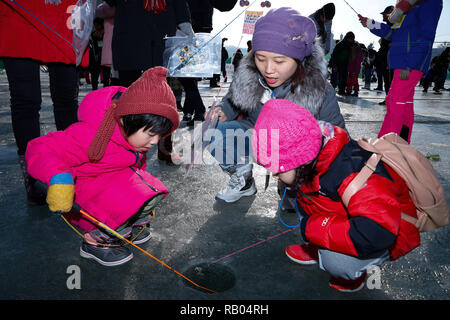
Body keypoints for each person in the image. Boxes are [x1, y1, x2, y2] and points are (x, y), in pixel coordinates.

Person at [252, 99, 421, 292]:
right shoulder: (312, 158)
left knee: (337, 262)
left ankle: (355, 269)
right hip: (356, 218)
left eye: (276, 168)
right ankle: (319, 249)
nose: (274, 174)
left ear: (299, 159)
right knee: (305, 196)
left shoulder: (352, 169)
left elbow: (376, 232)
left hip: (391, 230)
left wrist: (314, 228)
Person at [25, 67, 180, 266]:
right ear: (128, 119)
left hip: (108, 186)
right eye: (151, 134)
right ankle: (94, 242)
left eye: (159, 137)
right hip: (81, 193)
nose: (153, 142)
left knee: (150, 189)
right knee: (129, 195)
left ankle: (125, 224)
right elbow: (39, 147)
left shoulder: (133, 139)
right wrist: (59, 178)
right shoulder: (90, 134)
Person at [207, 7, 345, 203]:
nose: (269, 69)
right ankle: (243, 180)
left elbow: (337, 136)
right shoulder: (250, 76)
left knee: (297, 204)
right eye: (261, 59)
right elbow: (232, 99)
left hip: (296, 150)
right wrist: (223, 111)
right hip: (256, 136)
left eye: (279, 61)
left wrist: (302, 170)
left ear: (299, 59)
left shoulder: (318, 89)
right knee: (214, 131)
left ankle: (294, 185)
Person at [0, 0, 89, 205]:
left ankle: (72, 166)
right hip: (20, 12)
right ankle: (32, 175)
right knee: (25, 101)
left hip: (65, 15)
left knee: (67, 99)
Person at [105, 0, 192, 165]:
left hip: (161, 32)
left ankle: (165, 147)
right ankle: (124, 149)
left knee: (164, 93)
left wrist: (185, 24)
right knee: (127, 94)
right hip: (130, 31)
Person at [359, 0, 443, 143]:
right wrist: (370, 24)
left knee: (394, 100)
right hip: (401, 61)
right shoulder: (407, 7)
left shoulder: (431, 2)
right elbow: (393, 33)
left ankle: (386, 145)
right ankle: (402, 143)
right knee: (404, 103)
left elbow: (426, 36)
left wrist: (410, 64)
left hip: (409, 62)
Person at [375, 6, 394, 105]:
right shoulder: (389, 26)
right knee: (387, 80)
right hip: (385, 58)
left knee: (390, 80)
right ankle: (388, 98)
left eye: (384, 14)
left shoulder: (394, 27)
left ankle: (391, 99)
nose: (383, 16)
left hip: (390, 59)